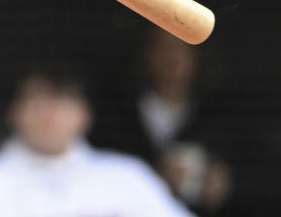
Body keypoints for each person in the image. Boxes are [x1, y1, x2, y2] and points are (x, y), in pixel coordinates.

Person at [0, 64, 194, 217]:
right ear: (12, 112)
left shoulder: (128, 176)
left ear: (85, 114)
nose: (49, 114)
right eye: (36, 101)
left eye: (62, 102)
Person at [92, 28, 233, 215]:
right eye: (163, 48)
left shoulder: (219, 119)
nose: (172, 59)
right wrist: (153, 175)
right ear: (146, 56)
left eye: (183, 49)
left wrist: (224, 185)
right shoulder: (118, 116)